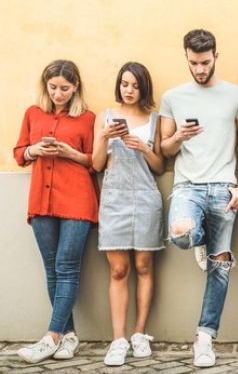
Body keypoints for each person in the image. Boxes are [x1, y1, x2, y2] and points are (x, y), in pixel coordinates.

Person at [159, 29, 238, 367]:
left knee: (220, 266)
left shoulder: (237, 95)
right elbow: (163, 148)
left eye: (205, 62)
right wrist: (178, 137)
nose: (199, 69)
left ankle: (205, 337)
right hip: (188, 187)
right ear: (186, 58)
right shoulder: (172, 97)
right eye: (193, 63)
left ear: (216, 56)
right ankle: (197, 234)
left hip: (224, 187)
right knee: (182, 235)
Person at [13, 60, 98, 363]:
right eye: (53, 87)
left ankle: (50, 337)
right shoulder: (32, 114)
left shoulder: (88, 118)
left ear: (76, 87)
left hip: (77, 200)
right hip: (41, 201)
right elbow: (19, 153)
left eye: (65, 88)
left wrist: (68, 153)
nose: (58, 93)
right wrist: (33, 150)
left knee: (66, 266)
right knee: (52, 269)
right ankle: (69, 336)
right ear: (45, 86)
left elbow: (95, 161)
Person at [92, 62, 165, 366]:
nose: (129, 90)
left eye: (135, 85)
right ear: (119, 86)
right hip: (114, 198)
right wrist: (104, 138)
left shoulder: (154, 119)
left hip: (146, 198)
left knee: (145, 266)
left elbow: (161, 166)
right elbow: (96, 165)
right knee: (119, 270)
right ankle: (118, 338)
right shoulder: (104, 117)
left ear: (144, 87)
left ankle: (139, 333)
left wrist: (143, 148)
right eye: (125, 84)